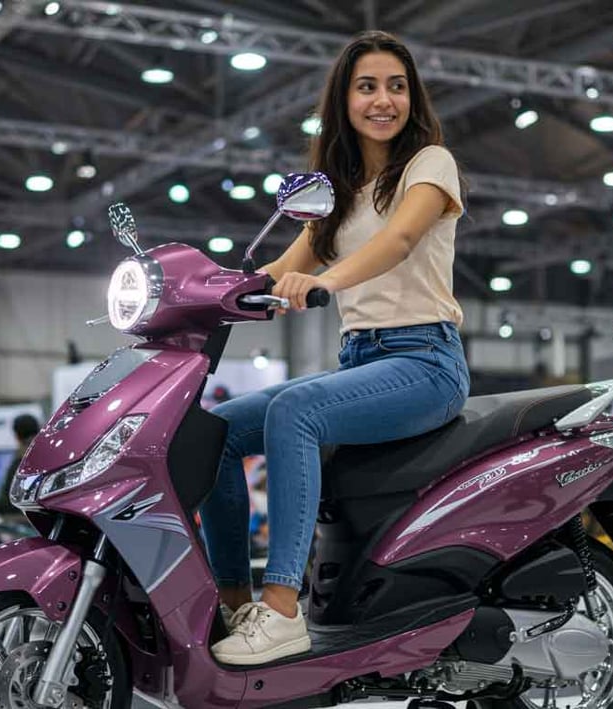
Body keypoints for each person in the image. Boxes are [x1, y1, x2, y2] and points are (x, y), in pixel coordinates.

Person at [201, 30, 470, 665]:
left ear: (412, 97)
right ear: (344, 101)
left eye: (396, 87)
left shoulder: (431, 164)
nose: (383, 100)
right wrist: (203, 290)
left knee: (294, 412)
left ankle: (281, 609)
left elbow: (398, 241)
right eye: (367, 87)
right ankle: (234, 604)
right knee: (214, 431)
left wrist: (324, 281)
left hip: (426, 361)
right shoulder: (338, 191)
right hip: (362, 361)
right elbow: (279, 268)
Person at [0, 414, 40, 516]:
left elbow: (6, 501)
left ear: (17, 436)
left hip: (22, 518)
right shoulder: (51, 456)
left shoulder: (19, 462)